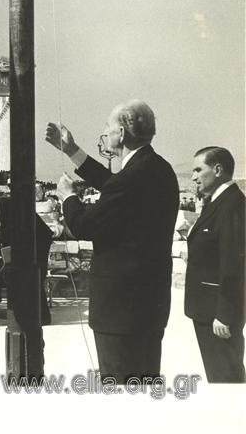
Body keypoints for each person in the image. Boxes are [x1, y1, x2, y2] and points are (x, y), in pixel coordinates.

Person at [46, 99, 179, 383]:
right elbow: (115, 186)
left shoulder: (132, 177)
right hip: (147, 307)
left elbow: (83, 225)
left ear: (121, 131)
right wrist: (72, 151)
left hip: (120, 313)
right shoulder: (158, 168)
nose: (105, 133)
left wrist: (67, 196)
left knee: (121, 392)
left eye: (107, 127)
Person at [184, 146, 245, 383]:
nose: (194, 176)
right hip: (208, 310)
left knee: (226, 378)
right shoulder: (217, 202)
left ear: (218, 170)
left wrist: (225, 313)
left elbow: (234, 264)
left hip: (217, 315)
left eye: (199, 169)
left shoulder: (232, 205)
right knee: (220, 375)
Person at [0, 181, 53, 325]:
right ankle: (31, 314)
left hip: (38, 241)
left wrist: (1, 234)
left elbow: (23, 228)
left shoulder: (5, 205)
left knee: (35, 277)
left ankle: (42, 317)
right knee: (27, 277)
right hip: (28, 243)